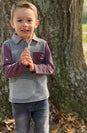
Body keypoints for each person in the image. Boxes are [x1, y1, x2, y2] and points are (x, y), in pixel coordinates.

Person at [1, 1, 54, 133]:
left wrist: (33, 67)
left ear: (36, 23)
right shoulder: (8, 45)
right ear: (12, 23)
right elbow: (6, 71)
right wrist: (20, 64)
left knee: (42, 130)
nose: (25, 24)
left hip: (40, 99)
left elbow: (50, 67)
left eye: (29, 20)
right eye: (19, 20)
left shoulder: (42, 44)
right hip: (19, 101)